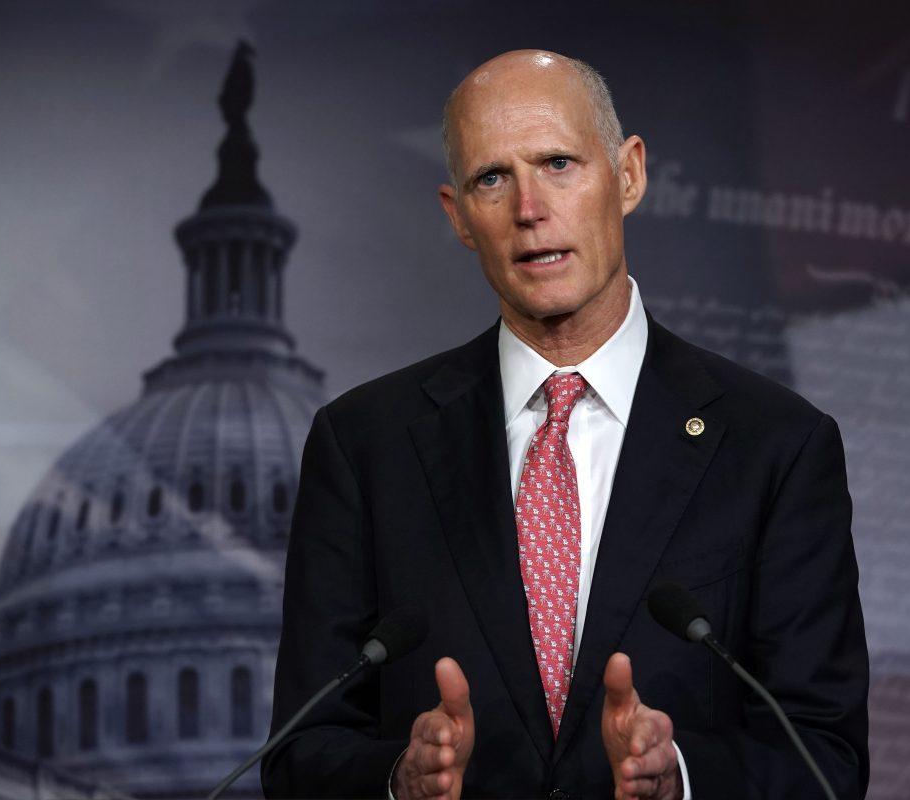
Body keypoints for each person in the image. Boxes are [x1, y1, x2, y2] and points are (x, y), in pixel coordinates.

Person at [262, 50, 868, 799]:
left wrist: (678, 778)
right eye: (493, 178)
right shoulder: (363, 446)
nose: (528, 208)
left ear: (630, 175)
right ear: (457, 216)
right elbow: (300, 753)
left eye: (557, 163)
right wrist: (398, 781)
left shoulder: (777, 446)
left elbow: (824, 756)